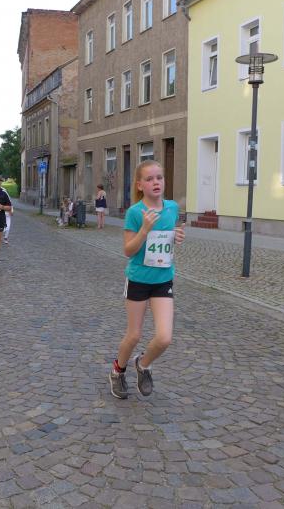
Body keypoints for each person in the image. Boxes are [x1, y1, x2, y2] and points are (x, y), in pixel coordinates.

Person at [109, 160, 185, 400]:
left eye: (159, 178)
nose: (156, 182)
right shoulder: (135, 212)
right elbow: (128, 251)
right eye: (150, 179)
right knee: (134, 335)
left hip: (163, 279)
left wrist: (177, 236)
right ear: (140, 185)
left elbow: (166, 238)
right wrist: (144, 230)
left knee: (164, 338)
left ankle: (142, 364)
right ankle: (117, 371)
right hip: (139, 280)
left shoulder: (172, 208)